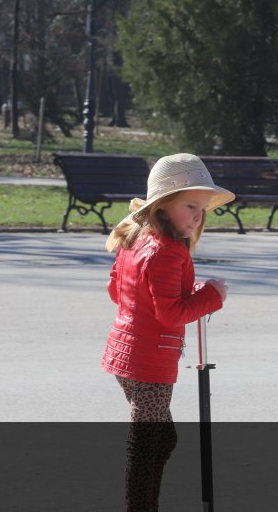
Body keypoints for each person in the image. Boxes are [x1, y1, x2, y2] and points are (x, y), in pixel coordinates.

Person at [100, 153, 234, 512]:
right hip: (150, 362)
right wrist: (211, 296)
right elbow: (171, 314)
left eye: (203, 209)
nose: (197, 216)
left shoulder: (135, 237)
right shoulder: (168, 251)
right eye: (191, 205)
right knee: (145, 448)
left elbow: (117, 291)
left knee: (162, 439)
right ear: (163, 205)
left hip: (124, 356)